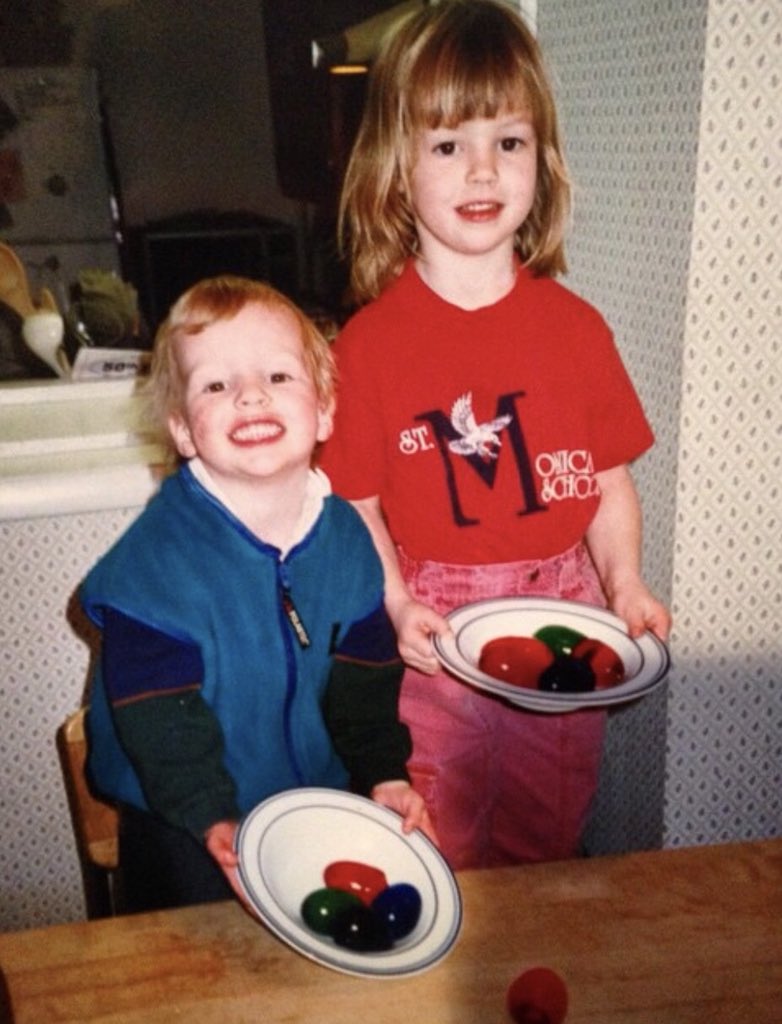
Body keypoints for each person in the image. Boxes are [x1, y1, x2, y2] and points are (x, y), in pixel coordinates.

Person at [319, 0, 671, 870]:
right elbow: (356, 504)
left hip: (564, 614)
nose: (482, 170)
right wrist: (395, 602)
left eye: (507, 141)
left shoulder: (578, 329)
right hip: (436, 631)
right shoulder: (367, 345)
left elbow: (609, 482)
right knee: (438, 833)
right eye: (448, 146)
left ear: (540, 161)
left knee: (549, 830)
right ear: (396, 168)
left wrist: (625, 582)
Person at [81, 275, 433, 912]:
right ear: (183, 429)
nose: (250, 395)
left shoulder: (347, 538)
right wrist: (211, 817)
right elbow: (160, 720)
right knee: (200, 960)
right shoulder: (155, 563)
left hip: (313, 798)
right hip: (182, 815)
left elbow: (365, 685)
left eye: (277, 376)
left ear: (324, 409)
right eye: (216, 385)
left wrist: (384, 773)